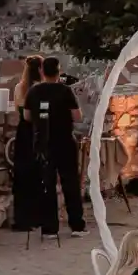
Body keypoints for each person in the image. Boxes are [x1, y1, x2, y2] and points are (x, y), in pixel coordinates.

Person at [32, 57, 86, 236]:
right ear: (58, 71)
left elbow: (26, 115)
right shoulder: (65, 91)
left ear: (42, 71)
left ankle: (49, 229)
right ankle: (77, 226)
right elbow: (77, 116)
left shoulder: (35, 91)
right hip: (64, 142)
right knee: (70, 183)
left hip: (44, 143)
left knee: (47, 185)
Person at [7, 56, 44, 234]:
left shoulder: (18, 88)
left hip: (23, 132)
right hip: (37, 131)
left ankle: (21, 218)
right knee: (37, 175)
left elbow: (18, 110)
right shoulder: (41, 89)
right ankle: (37, 216)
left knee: (22, 175)